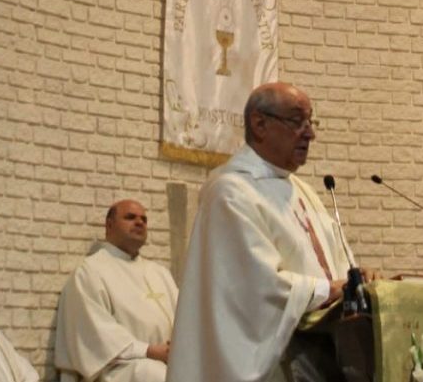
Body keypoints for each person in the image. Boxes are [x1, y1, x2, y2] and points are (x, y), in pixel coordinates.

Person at [167, 82, 373, 382]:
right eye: (296, 121)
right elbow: (256, 290)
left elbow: (337, 264)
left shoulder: (302, 191)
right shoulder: (230, 192)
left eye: (311, 122)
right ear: (260, 124)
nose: (310, 133)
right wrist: (329, 290)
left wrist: (358, 280)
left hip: (324, 352)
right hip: (278, 365)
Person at [54, 199, 178, 382]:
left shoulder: (160, 273)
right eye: (130, 217)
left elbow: (186, 319)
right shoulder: (90, 272)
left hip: (170, 361)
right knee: (152, 373)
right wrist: (149, 351)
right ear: (109, 225)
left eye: (144, 219)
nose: (139, 222)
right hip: (118, 371)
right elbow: (95, 337)